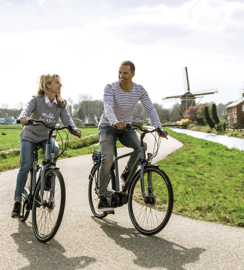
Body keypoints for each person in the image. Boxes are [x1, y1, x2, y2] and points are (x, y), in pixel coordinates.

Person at [98, 60, 168, 211]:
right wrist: (115, 121)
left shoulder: (139, 90)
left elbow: (150, 108)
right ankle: (102, 196)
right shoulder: (110, 87)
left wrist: (159, 128)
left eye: (125, 73)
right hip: (107, 127)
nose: (121, 76)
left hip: (126, 128)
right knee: (108, 158)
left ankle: (127, 174)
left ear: (132, 74)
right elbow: (108, 106)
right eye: (119, 72)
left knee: (141, 147)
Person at [12, 74, 81, 218]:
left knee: (55, 149)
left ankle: (47, 176)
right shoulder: (36, 99)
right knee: (25, 165)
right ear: (48, 85)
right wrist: (23, 118)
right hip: (30, 136)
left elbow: (67, 119)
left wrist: (73, 129)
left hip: (46, 137)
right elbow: (26, 110)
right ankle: (17, 201)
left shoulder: (60, 104)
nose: (60, 85)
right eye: (57, 83)